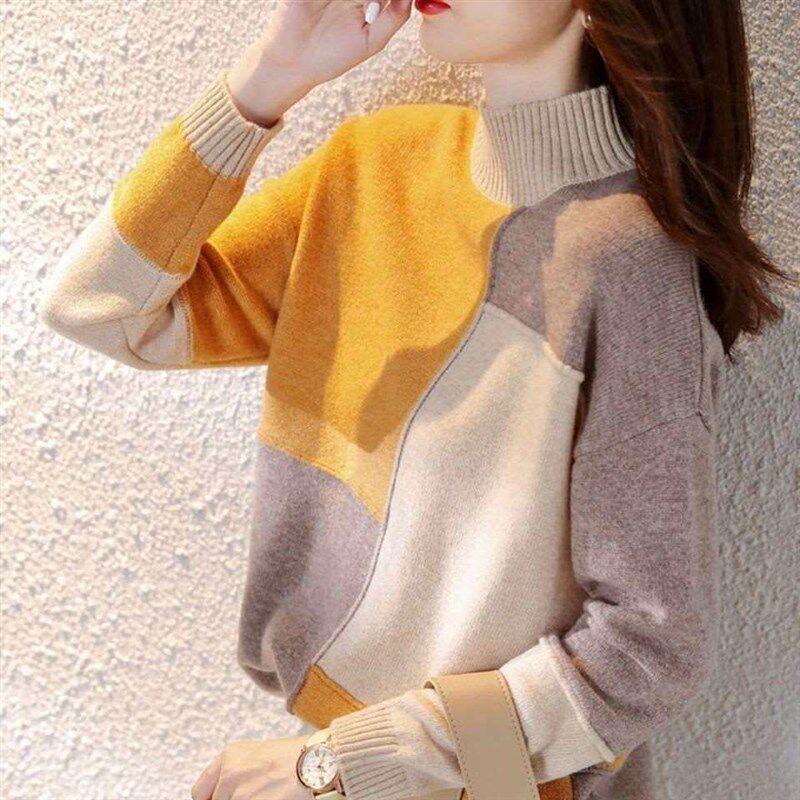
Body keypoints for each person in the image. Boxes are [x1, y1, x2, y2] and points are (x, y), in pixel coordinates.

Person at [39, 1, 793, 799]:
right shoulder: (372, 169)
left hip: (502, 785)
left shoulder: (629, 262)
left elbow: (650, 649)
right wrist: (266, 81)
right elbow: (100, 309)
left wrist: (335, 768)